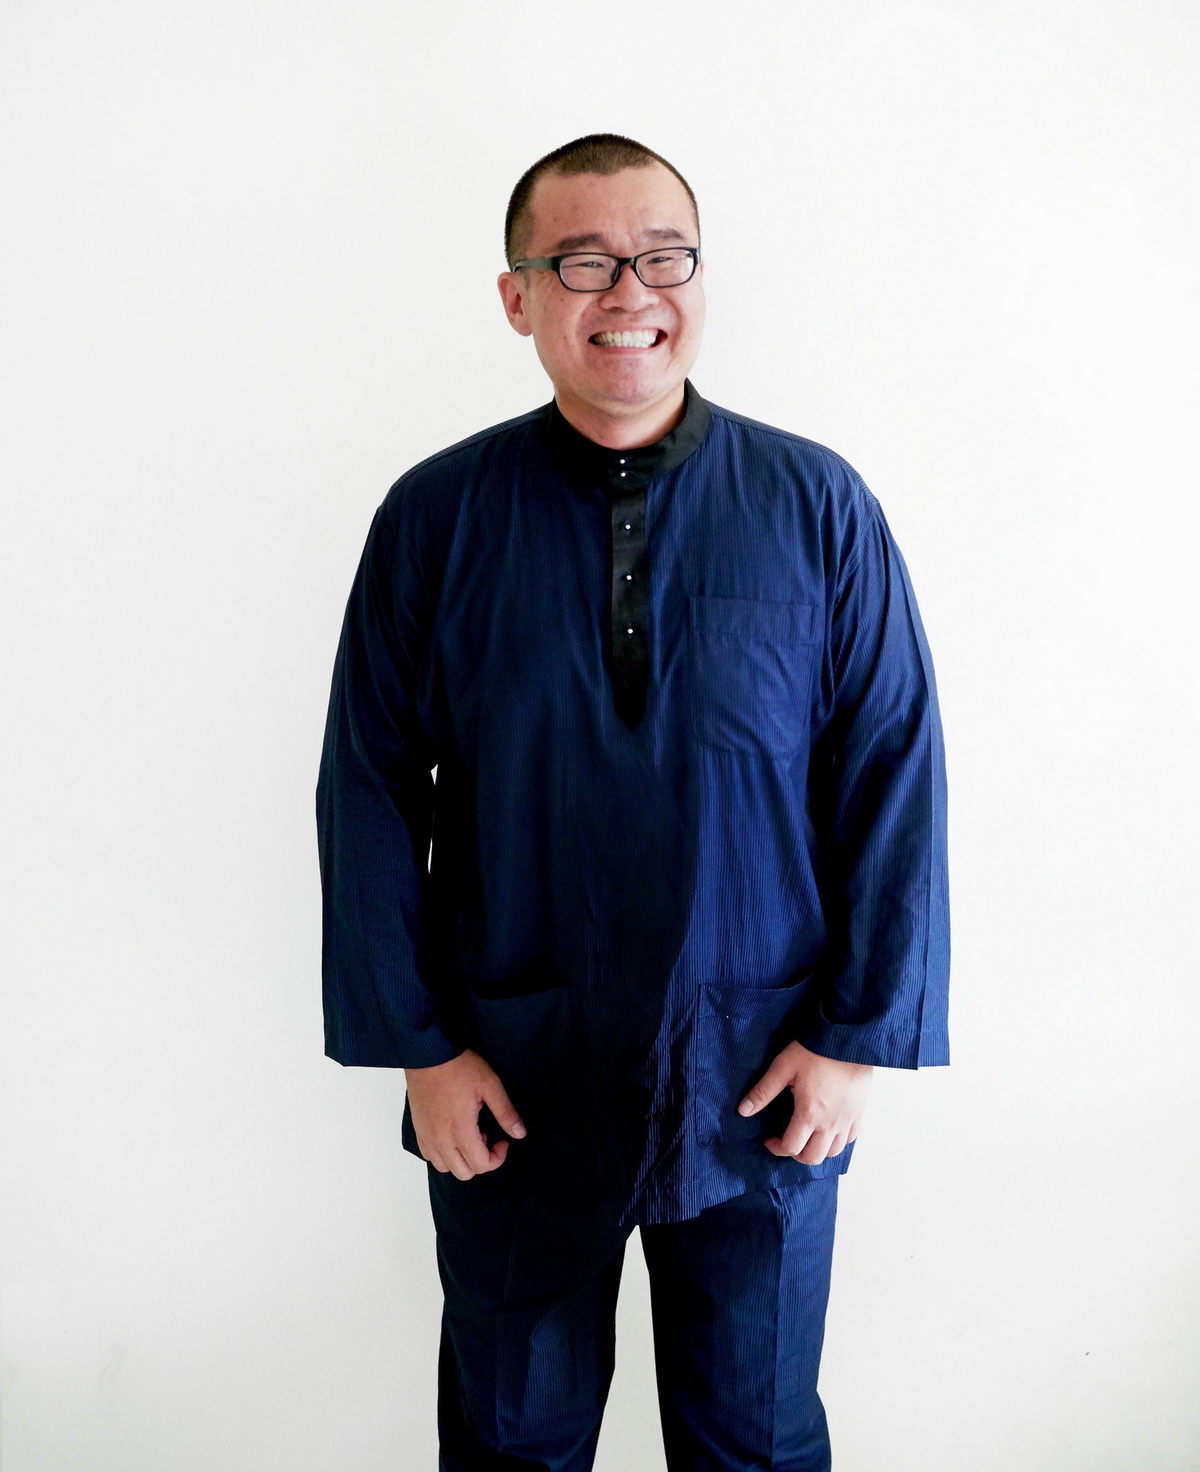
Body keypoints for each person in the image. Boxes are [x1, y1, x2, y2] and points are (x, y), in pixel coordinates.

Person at [316, 132, 950, 1472]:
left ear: (699, 280)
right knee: (513, 1440)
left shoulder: (817, 507)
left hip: (762, 1074)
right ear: (517, 296)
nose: (629, 293)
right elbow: (367, 786)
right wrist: (423, 1052)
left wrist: (852, 1042)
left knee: (756, 1440)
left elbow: (893, 771)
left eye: (663, 258)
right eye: (584, 262)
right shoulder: (436, 518)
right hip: (510, 1074)